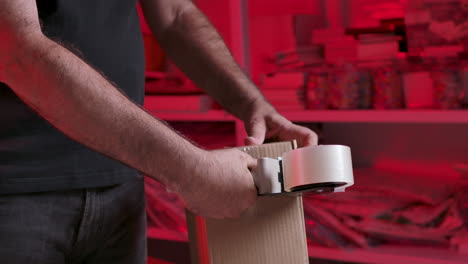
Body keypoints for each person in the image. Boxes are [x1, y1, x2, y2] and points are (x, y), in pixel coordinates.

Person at [0, 0, 317, 263]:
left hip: (121, 183)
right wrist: (191, 171)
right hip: (15, 190)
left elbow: (174, 14)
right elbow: (18, 50)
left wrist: (252, 104)